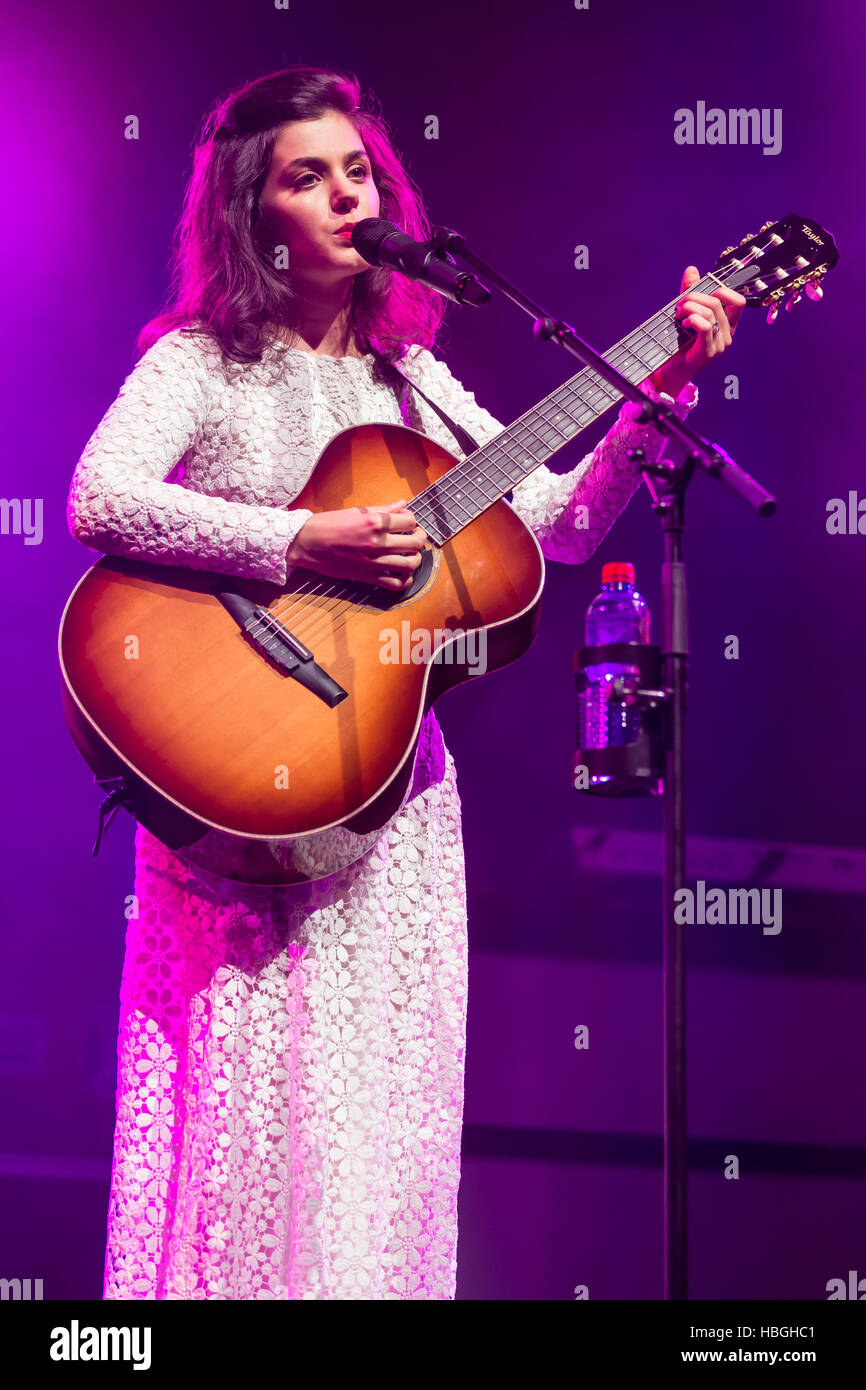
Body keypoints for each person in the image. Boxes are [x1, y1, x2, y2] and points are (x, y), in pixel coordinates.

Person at [66, 64, 744, 1300]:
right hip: (234, 773)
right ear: (250, 211)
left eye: (358, 169)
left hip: (390, 805)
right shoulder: (202, 365)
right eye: (305, 174)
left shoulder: (415, 383)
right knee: (248, 1120)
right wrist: (295, 541)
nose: (342, 190)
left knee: (374, 1133)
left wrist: (657, 395)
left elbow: (558, 523)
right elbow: (97, 498)